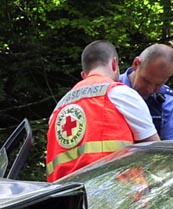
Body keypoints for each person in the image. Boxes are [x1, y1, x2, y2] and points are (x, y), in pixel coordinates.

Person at [46, 40, 160, 182]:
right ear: (114, 63)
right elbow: (156, 152)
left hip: (67, 202)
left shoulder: (57, 111)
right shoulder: (120, 94)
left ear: (84, 75)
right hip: (116, 198)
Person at [120, 44, 173, 140]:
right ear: (136, 64)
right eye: (146, 81)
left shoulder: (165, 100)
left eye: (158, 84)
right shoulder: (110, 89)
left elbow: (172, 143)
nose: (150, 90)